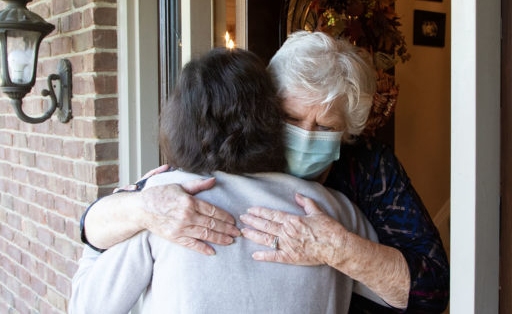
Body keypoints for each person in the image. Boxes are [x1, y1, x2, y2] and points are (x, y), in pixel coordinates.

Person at [80, 31, 449, 312]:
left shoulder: (360, 180)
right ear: (265, 110)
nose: (306, 136)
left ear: (348, 132)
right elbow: (96, 226)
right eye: (291, 118)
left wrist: (339, 250)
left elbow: (429, 292)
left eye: (325, 127)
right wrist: (140, 206)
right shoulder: (187, 183)